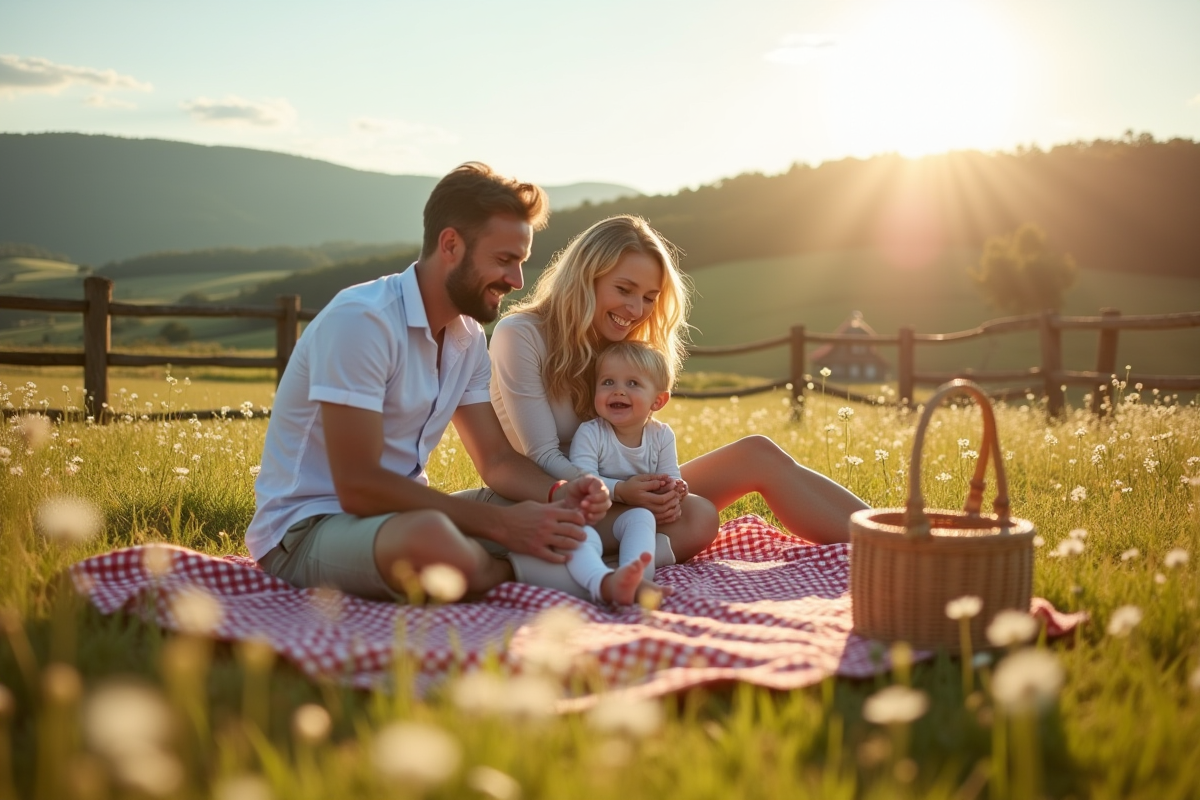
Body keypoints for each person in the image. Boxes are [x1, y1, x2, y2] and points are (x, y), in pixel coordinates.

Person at [244, 162, 611, 602]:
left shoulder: (468, 337)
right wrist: (503, 527)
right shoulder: (363, 322)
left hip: (401, 514)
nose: (516, 281)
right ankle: (519, 569)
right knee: (431, 539)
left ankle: (519, 562)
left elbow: (495, 460)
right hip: (309, 529)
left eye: (521, 263)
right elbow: (359, 486)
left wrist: (559, 493)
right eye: (504, 260)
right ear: (451, 245)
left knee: (597, 520)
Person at [490, 214, 868, 571]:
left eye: (650, 297)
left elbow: (635, 439)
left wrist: (664, 487)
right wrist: (622, 492)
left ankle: (891, 540)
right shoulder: (522, 334)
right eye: (624, 289)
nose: (636, 309)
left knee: (758, 453)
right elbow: (541, 456)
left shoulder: (612, 344)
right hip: (556, 497)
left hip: (624, 492)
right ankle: (577, 568)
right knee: (699, 514)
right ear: (584, 278)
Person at [565, 341, 681, 605]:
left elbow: (670, 474)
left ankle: (636, 579)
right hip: (590, 516)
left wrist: (675, 489)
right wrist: (622, 490)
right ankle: (601, 582)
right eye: (607, 382)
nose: (618, 391)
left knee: (641, 519)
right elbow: (582, 477)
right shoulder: (592, 433)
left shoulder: (661, 436)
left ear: (658, 400)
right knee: (577, 536)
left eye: (632, 384)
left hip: (625, 519)